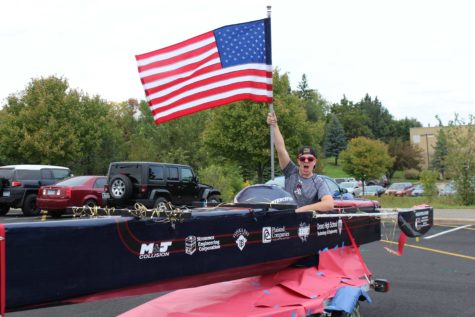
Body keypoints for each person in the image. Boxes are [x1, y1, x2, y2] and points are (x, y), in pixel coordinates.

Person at [267, 112, 334, 213]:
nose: (306, 161)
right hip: (286, 219)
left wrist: (300, 210)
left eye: (310, 159)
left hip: (306, 223)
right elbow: (281, 149)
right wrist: (274, 125)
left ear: (315, 162)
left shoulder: (319, 182)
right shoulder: (291, 171)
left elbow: (329, 204)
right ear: (298, 161)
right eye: (303, 159)